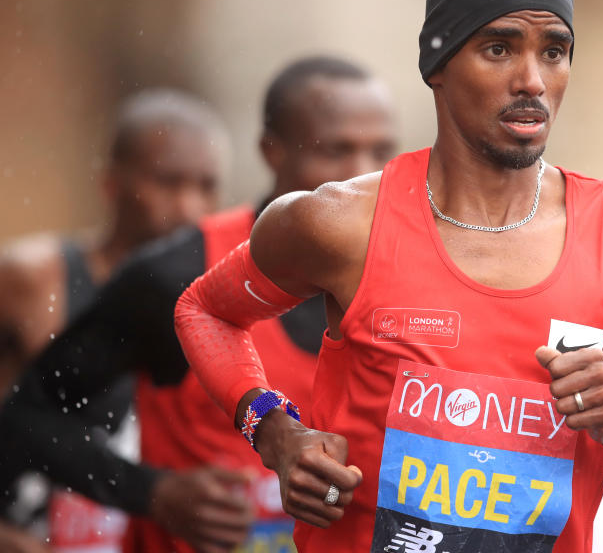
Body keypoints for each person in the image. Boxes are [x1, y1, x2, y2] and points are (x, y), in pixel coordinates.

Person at [175, 0, 603, 553]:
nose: (532, 81)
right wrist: (275, 433)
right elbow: (205, 310)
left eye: (555, 52)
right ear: (437, 64)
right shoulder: (337, 223)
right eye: (499, 48)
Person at [0, 56, 399, 553]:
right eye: (335, 150)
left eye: (380, 151)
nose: (359, 175)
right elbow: (26, 418)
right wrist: (154, 493)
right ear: (271, 152)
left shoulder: (412, 280)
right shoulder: (176, 273)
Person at [0, 88, 228, 553]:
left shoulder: (215, 297)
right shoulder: (34, 280)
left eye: (206, 186)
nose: (189, 207)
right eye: (168, 182)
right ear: (111, 184)